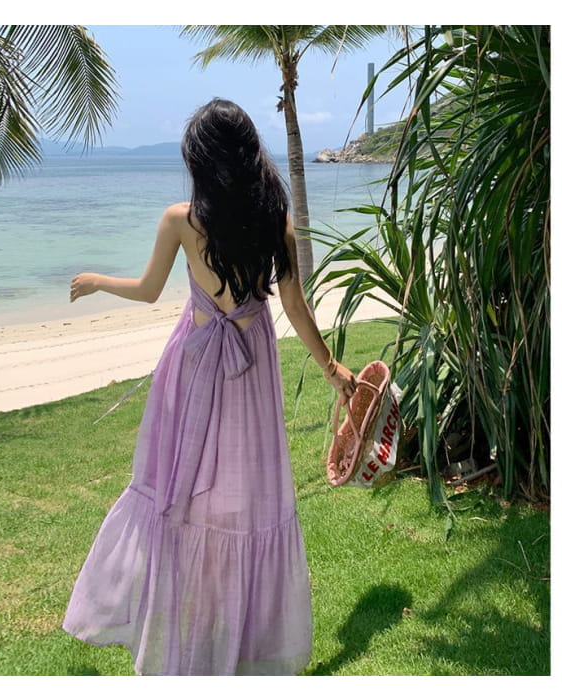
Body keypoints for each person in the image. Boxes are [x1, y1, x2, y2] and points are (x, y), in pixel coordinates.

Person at [62, 98, 357, 675]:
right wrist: (331, 367)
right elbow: (295, 306)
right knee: (245, 494)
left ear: (201, 161)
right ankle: (239, 628)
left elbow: (148, 291)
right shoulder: (275, 219)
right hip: (251, 366)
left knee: (181, 488)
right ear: (248, 156)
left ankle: (192, 619)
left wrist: (99, 280)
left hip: (193, 364)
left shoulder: (181, 220)